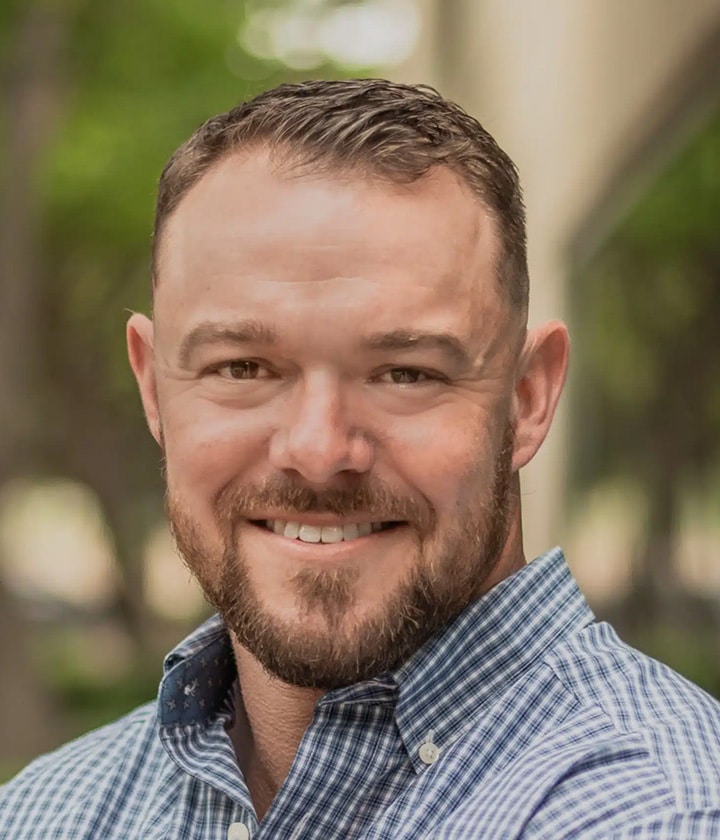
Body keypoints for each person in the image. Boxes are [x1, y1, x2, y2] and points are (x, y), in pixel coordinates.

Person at [1, 78, 719, 839]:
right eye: (243, 368)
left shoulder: (661, 812)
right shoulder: (46, 814)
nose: (318, 451)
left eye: (405, 374)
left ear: (529, 397)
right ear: (153, 386)